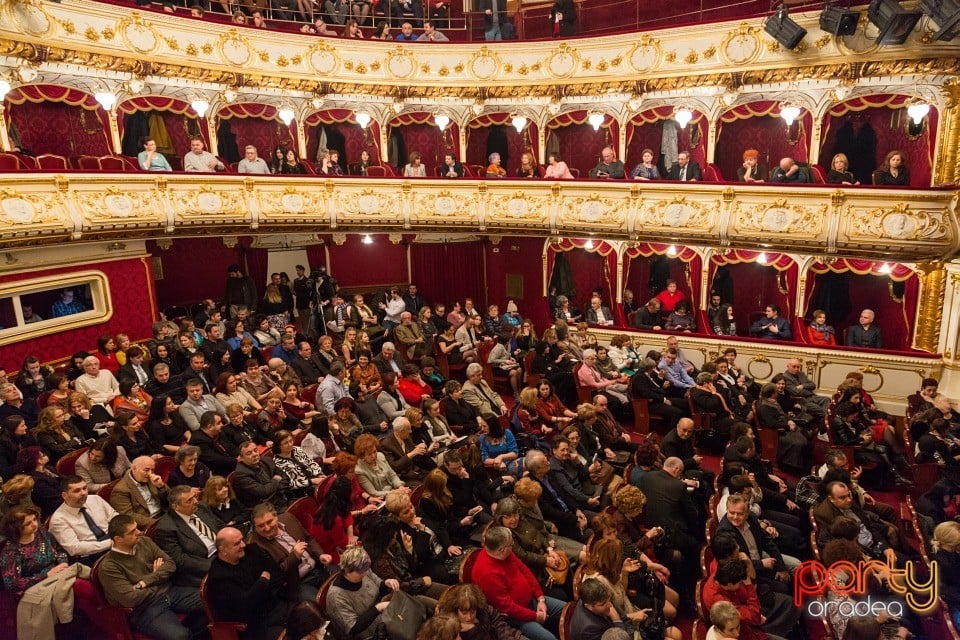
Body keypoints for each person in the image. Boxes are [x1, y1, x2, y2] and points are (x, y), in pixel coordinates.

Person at [97, 513, 207, 640]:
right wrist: (158, 578)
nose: (139, 532)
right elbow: (130, 598)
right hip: (145, 608)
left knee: (212, 601)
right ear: (118, 539)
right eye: (132, 532)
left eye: (137, 528)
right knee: (180, 636)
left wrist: (146, 581)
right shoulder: (108, 567)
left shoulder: (144, 542)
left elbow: (171, 564)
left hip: (169, 592)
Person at [472, 525, 566, 640]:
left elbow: (524, 569)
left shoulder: (504, 553)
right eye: (511, 545)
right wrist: (535, 616)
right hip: (517, 617)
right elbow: (508, 607)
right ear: (501, 550)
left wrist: (540, 598)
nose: (513, 547)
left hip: (532, 600)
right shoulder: (487, 575)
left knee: (569, 610)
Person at [205, 527, 292, 640]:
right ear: (223, 550)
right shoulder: (219, 578)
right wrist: (263, 582)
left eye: (242, 540)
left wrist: (259, 588)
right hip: (256, 624)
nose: (243, 545)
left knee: (308, 613)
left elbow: (278, 574)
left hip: (277, 604)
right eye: (237, 543)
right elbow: (245, 606)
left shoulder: (252, 551)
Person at [248, 502, 332, 601]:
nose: (267, 528)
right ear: (255, 527)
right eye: (261, 526)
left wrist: (320, 555)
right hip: (299, 583)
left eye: (269, 521)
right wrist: (294, 556)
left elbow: (309, 539)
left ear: (276, 516)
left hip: (318, 568)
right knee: (323, 604)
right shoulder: (255, 546)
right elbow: (277, 575)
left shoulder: (288, 518)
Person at [153, 484, 221, 587]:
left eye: (194, 497)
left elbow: (220, 526)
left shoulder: (201, 507)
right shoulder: (166, 529)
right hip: (202, 565)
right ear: (176, 506)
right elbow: (181, 561)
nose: (195, 501)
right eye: (189, 500)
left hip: (222, 551)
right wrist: (217, 566)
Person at [325, 545, 401, 639]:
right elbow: (353, 628)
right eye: (361, 572)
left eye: (366, 569)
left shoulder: (363, 568)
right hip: (368, 633)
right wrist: (378, 608)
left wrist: (386, 583)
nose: (365, 574)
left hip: (383, 618)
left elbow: (378, 583)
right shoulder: (336, 596)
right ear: (347, 570)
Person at [49, 474, 118, 563]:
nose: (83, 493)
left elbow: (115, 517)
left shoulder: (95, 499)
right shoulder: (59, 519)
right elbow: (74, 548)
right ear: (64, 495)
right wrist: (110, 543)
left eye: (84, 488)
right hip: (91, 556)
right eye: (77, 491)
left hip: (114, 541)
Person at [436, 583, 523, 640]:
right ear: (456, 609)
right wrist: (472, 630)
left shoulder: (485, 609)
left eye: (472, 612)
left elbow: (501, 627)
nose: (469, 617)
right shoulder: (450, 628)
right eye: (464, 613)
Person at [570, 578, 638, 640]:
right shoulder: (588, 630)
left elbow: (626, 619)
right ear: (589, 606)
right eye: (602, 604)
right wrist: (616, 620)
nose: (609, 605)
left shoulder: (602, 599)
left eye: (608, 600)